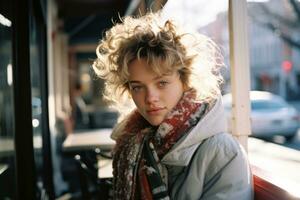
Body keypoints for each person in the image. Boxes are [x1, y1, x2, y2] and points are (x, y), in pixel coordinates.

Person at [93, 12, 253, 200]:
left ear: (185, 81)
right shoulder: (133, 141)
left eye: (162, 83)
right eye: (137, 87)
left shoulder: (223, 153)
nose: (150, 98)